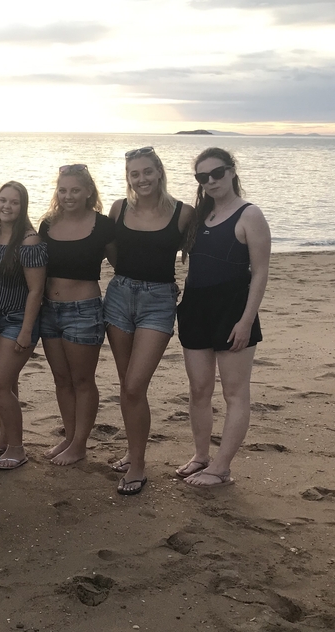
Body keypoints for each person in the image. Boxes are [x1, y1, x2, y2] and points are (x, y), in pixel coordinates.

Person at [176, 148, 270, 488]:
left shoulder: (250, 214)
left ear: (231, 171)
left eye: (217, 173)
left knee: (234, 393)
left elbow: (260, 273)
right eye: (203, 177)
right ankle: (201, 456)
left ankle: (221, 467)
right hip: (195, 309)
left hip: (233, 312)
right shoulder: (199, 216)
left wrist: (246, 320)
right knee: (199, 389)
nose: (211, 181)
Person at [103, 148, 194, 495]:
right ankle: (133, 450)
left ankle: (138, 466)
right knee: (126, 384)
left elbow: (196, 254)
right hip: (119, 295)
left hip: (158, 300)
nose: (141, 179)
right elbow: (112, 252)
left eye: (146, 172)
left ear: (159, 171)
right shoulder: (119, 208)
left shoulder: (184, 213)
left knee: (134, 386)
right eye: (133, 174)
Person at [39, 164, 115, 466]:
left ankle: (80, 444)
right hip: (49, 311)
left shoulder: (103, 225)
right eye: (63, 190)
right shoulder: (48, 224)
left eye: (74, 190)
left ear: (87, 192)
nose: (68, 196)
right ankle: (70, 437)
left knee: (82, 380)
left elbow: (124, 265)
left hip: (84, 311)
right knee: (61, 379)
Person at [0, 182, 47, 469]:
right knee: (8, 382)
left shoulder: (29, 241)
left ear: (23, 206)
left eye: (14, 202)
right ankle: (4, 438)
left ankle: (18, 449)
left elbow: (36, 291)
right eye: (2, 200)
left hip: (16, 320)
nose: (7, 206)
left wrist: (26, 330)